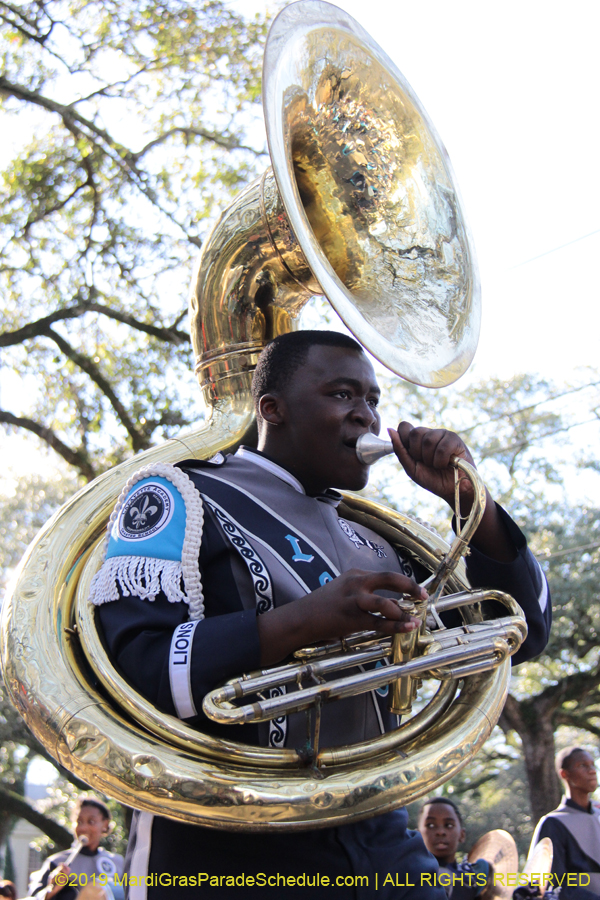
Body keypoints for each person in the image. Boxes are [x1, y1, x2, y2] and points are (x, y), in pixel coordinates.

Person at [92, 331, 551, 899]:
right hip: (228, 842)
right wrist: (303, 622)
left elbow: (518, 634)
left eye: (373, 401)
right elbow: (133, 674)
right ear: (272, 409)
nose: (367, 418)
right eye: (342, 395)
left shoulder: (376, 538)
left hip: (378, 832)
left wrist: (468, 502)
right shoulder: (179, 494)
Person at [529, 747, 600, 899]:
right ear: (564, 774)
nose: (592, 770)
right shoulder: (554, 823)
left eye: (592, 764)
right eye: (582, 766)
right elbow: (553, 887)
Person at [29, 798, 124, 900]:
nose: (83, 828)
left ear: (105, 824)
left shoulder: (118, 863)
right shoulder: (56, 862)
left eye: (91, 821)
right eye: (79, 821)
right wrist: (51, 889)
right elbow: (33, 897)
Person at [417, 798, 492, 899]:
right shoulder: (410, 877)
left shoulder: (473, 873)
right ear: (418, 835)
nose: (440, 832)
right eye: (430, 825)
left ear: (462, 834)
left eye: (448, 825)